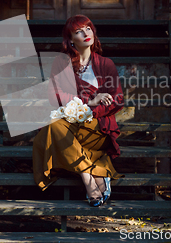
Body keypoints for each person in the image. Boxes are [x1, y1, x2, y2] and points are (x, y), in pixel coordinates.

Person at [32, 15, 125, 207]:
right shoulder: (61, 63)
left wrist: (92, 111)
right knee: (54, 127)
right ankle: (88, 177)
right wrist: (89, 101)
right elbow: (55, 96)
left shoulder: (106, 64)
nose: (86, 34)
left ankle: (89, 172)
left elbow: (117, 99)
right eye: (78, 31)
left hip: (97, 128)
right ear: (70, 40)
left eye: (88, 28)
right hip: (70, 125)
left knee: (51, 132)